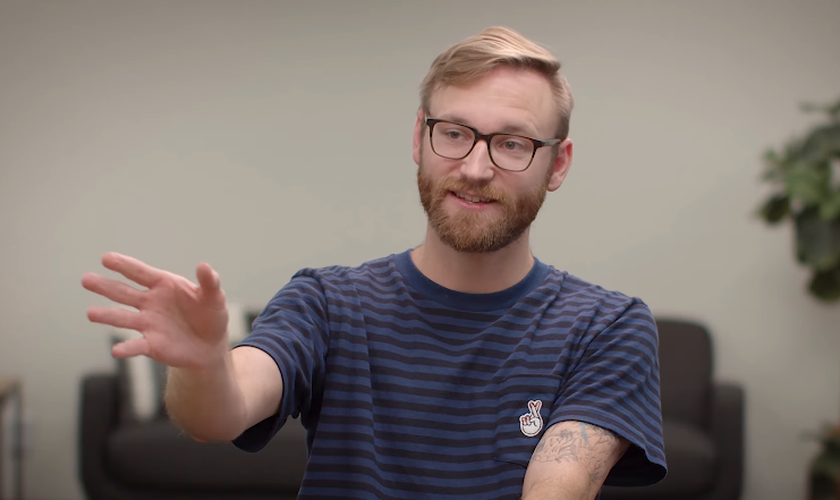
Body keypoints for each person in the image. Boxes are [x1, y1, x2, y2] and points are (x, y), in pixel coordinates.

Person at [82, 26, 666, 500]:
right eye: (455, 133)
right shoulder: (327, 303)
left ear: (557, 164)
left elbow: (558, 487)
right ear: (419, 138)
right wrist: (201, 364)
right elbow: (220, 414)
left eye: (512, 143)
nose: (476, 167)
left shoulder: (608, 326)